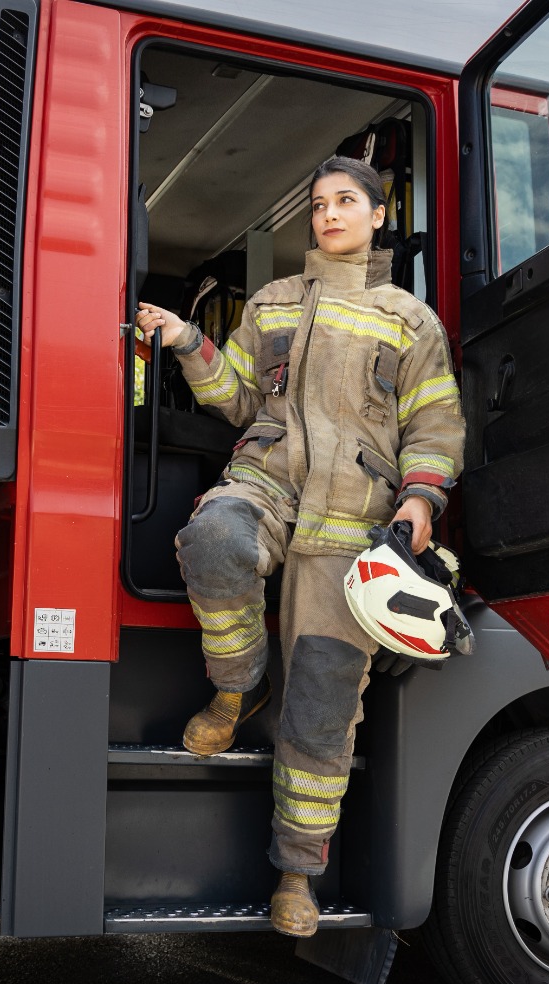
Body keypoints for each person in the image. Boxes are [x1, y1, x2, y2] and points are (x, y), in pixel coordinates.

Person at [135, 157, 465, 936]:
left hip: (355, 522)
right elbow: (236, 397)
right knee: (213, 538)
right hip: (268, 482)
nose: (329, 214)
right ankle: (237, 687)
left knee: (323, 705)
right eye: (318, 203)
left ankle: (297, 876)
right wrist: (187, 339)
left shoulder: (409, 320)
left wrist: (420, 501)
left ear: (378, 215)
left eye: (346, 202)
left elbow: (437, 427)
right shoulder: (276, 302)